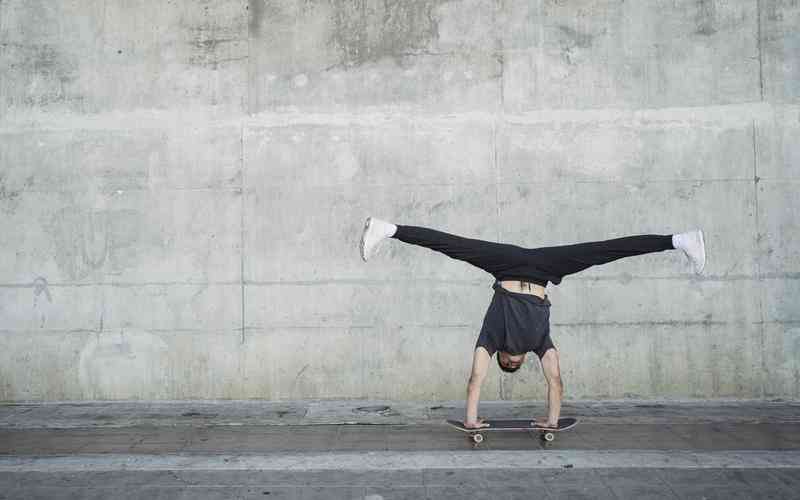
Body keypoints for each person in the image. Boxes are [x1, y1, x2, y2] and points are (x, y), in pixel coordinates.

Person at [359, 217, 706, 430]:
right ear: (523, 361)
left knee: (453, 246)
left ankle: (388, 229)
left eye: (505, 364)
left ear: (502, 358)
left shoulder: (491, 338)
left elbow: (476, 378)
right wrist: (551, 420)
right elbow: (555, 381)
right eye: (514, 363)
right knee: (606, 250)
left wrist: (471, 418)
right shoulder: (539, 343)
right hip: (543, 269)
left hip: (508, 265)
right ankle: (680, 240)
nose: (511, 360)